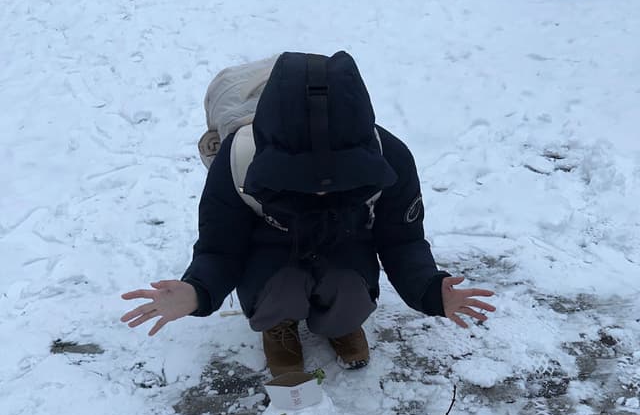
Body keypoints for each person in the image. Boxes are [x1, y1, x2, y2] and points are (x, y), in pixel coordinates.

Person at [121, 51, 496, 374]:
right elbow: (221, 247)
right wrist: (197, 290)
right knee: (281, 289)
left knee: (349, 291)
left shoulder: (391, 158)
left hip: (346, 245)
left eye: (339, 179)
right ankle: (278, 325)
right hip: (269, 253)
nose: (319, 189)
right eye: (299, 178)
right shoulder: (238, 158)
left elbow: (402, 241)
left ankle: (339, 325)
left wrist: (429, 288)